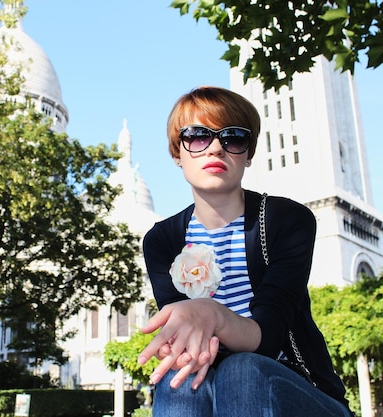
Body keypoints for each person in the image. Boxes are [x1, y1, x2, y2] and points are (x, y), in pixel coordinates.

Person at [137, 86, 352, 416]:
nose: (216, 149)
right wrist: (181, 347)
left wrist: (212, 314)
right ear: (177, 153)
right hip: (211, 388)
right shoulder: (162, 240)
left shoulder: (286, 220)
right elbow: (184, 335)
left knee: (242, 369)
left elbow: (268, 338)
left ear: (247, 154)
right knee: (180, 378)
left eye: (233, 138)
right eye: (197, 137)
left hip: (302, 392)